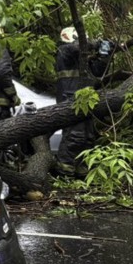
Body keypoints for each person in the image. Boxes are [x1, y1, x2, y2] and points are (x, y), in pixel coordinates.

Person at [53, 26, 112, 169]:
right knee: (74, 136)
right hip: (70, 99)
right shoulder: (64, 51)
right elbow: (77, 47)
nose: (85, 42)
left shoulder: (82, 59)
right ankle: (65, 168)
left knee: (88, 137)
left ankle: (82, 169)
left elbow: (98, 72)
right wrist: (97, 44)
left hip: (86, 101)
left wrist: (105, 53)